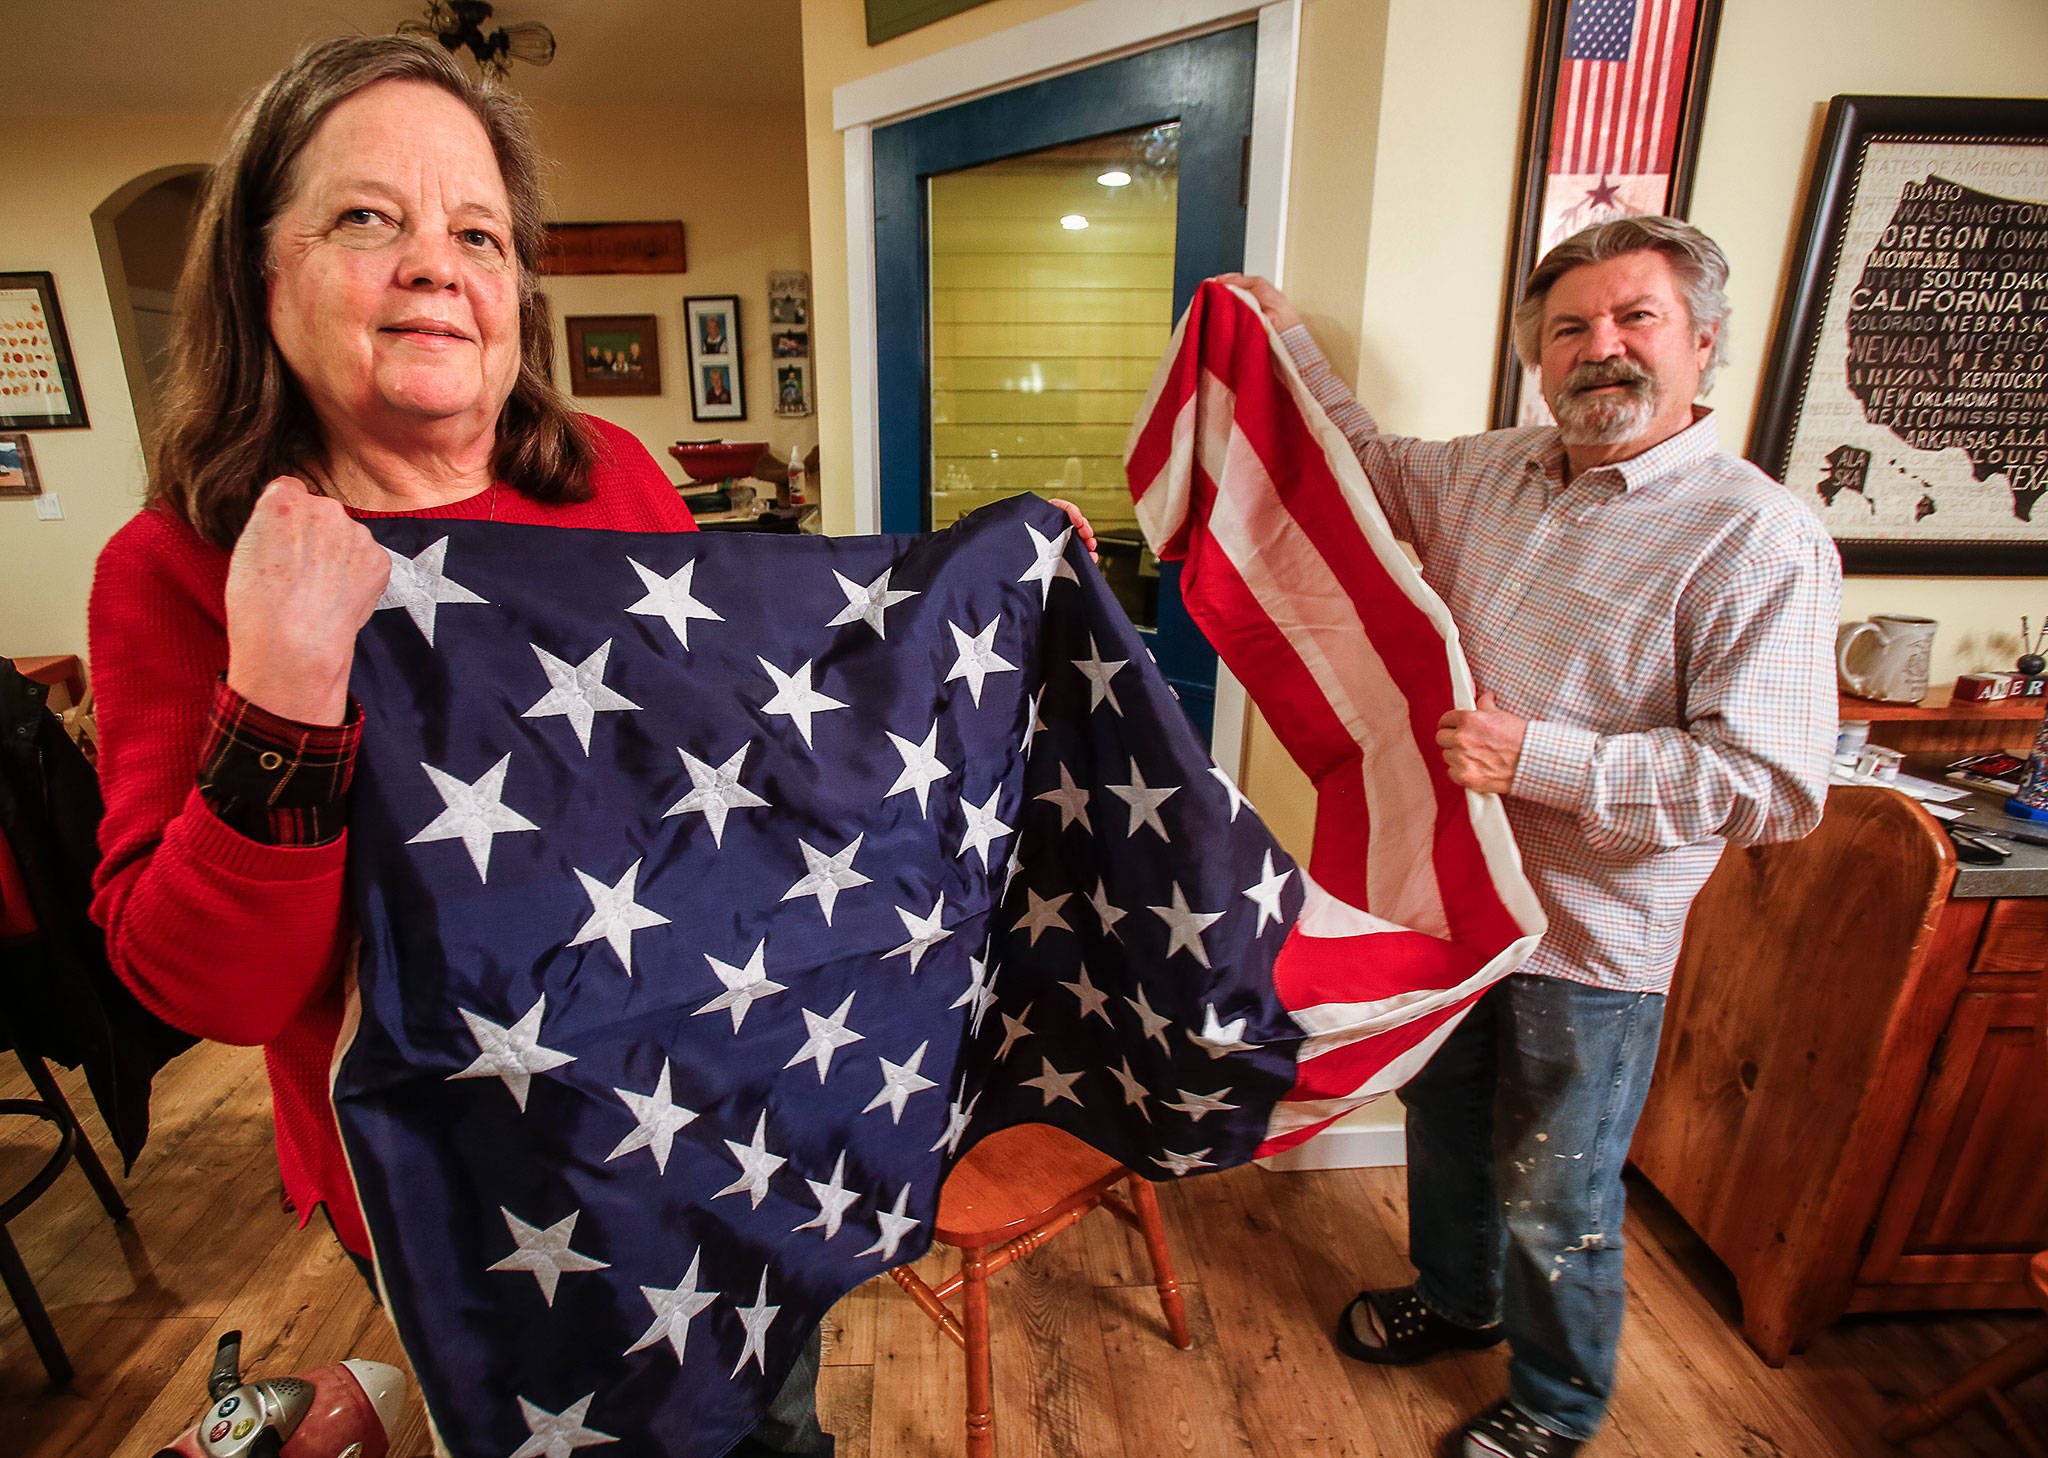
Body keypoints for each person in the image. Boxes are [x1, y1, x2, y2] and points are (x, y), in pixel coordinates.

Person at [87, 35, 837, 1457]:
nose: (436, 262)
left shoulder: (611, 477)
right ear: (263, 274)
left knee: (767, 1418)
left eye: (476, 231)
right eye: (368, 217)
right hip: (454, 1178)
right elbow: (209, 989)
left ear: (514, 291)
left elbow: (716, 784)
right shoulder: (180, 565)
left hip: (704, 1102)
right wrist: (286, 689)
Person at [1219, 216, 1840, 1458]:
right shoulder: (1489, 469)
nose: (1598, 349)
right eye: (1569, 329)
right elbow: (1359, 462)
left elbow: (1774, 785)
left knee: (1555, 1194)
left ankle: (1556, 1406)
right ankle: (1456, 1304)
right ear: (1536, 356)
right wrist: (1278, 344)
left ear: (1702, 345)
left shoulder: (1755, 538)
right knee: (1447, 1127)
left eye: (1633, 320)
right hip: (1453, 904)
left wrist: (1538, 759)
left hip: (1590, 937)